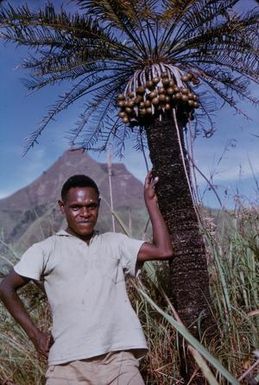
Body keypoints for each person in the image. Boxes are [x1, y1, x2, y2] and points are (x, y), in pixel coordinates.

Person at [0, 171, 173, 385]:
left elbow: (163, 251)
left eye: (91, 206)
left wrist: (151, 203)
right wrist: (35, 335)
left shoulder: (114, 243)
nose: (85, 213)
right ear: (62, 207)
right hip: (66, 366)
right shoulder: (45, 250)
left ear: (99, 205)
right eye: (76, 207)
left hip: (119, 361)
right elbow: (6, 287)